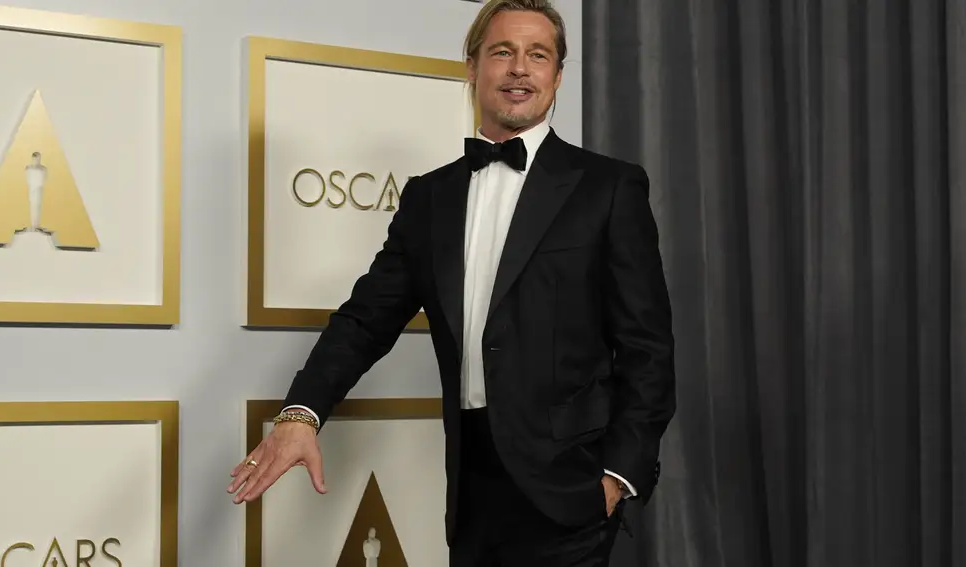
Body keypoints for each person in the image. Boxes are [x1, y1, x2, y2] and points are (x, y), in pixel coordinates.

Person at [227, 0, 676, 564]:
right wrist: (300, 414)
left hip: (572, 488)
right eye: (502, 52)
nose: (519, 68)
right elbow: (366, 320)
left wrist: (617, 476)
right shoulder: (429, 198)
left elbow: (648, 349)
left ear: (557, 76)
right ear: (472, 66)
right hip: (471, 489)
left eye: (538, 55)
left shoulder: (609, 188)